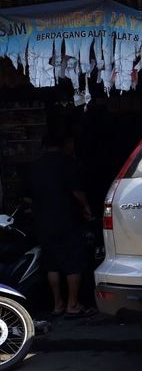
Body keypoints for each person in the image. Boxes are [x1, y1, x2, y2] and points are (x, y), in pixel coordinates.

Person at [27, 133, 96, 318]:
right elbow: (76, 191)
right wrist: (86, 207)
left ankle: (57, 304)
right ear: (64, 144)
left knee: (52, 264)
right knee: (73, 262)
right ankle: (73, 304)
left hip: (44, 222)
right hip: (67, 220)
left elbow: (26, 195)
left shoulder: (35, 166)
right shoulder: (67, 163)